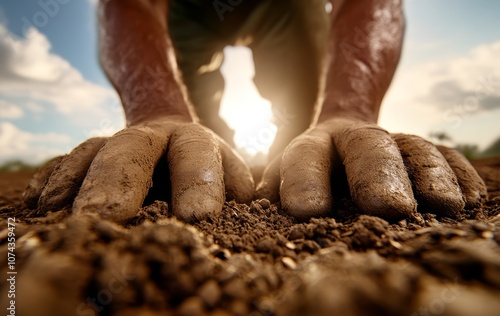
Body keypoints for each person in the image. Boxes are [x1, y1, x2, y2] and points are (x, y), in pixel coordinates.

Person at [24, 0, 486, 223]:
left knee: (307, 140)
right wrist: (155, 109)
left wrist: (349, 109)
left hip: (283, 6)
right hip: (184, 12)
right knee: (190, 146)